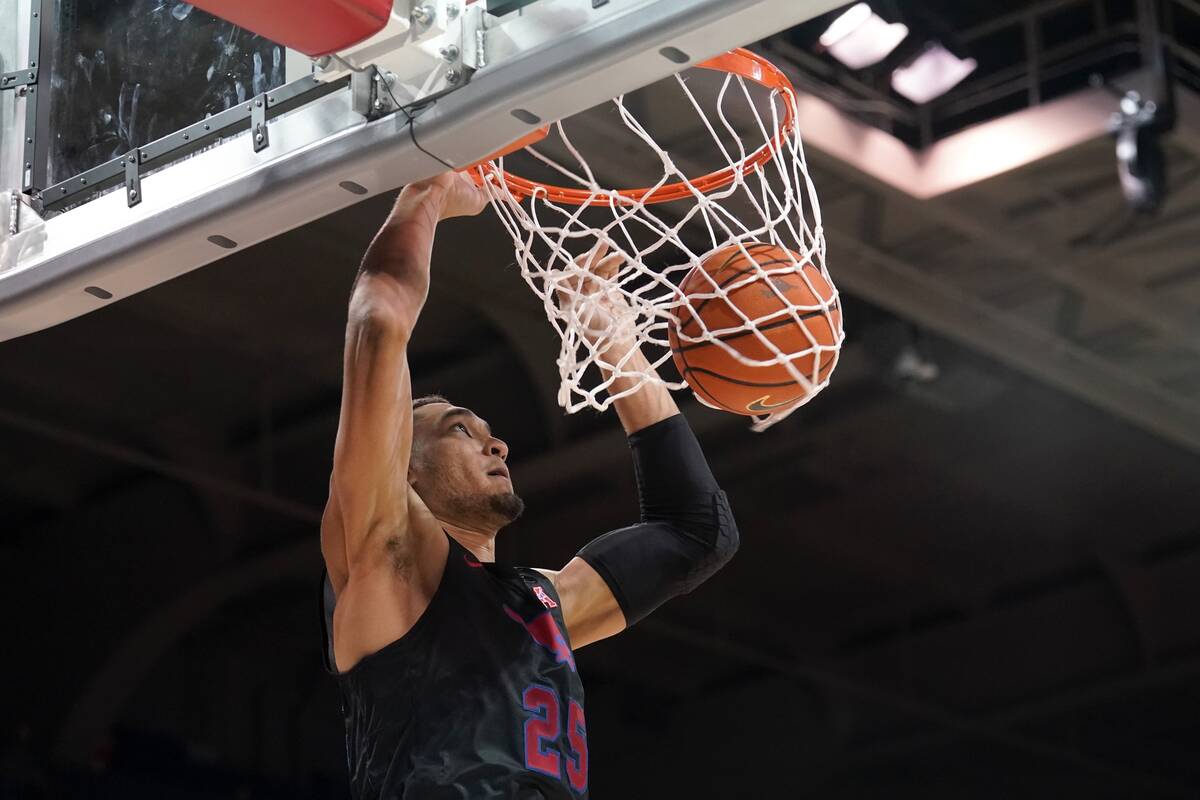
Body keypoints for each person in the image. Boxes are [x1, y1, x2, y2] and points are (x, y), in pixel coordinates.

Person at [318, 171, 739, 799]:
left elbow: (699, 532)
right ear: (401, 467)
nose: (497, 444)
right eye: (460, 431)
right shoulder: (390, 559)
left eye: (488, 431)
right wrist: (425, 197)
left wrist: (615, 344)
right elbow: (378, 320)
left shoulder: (543, 607)